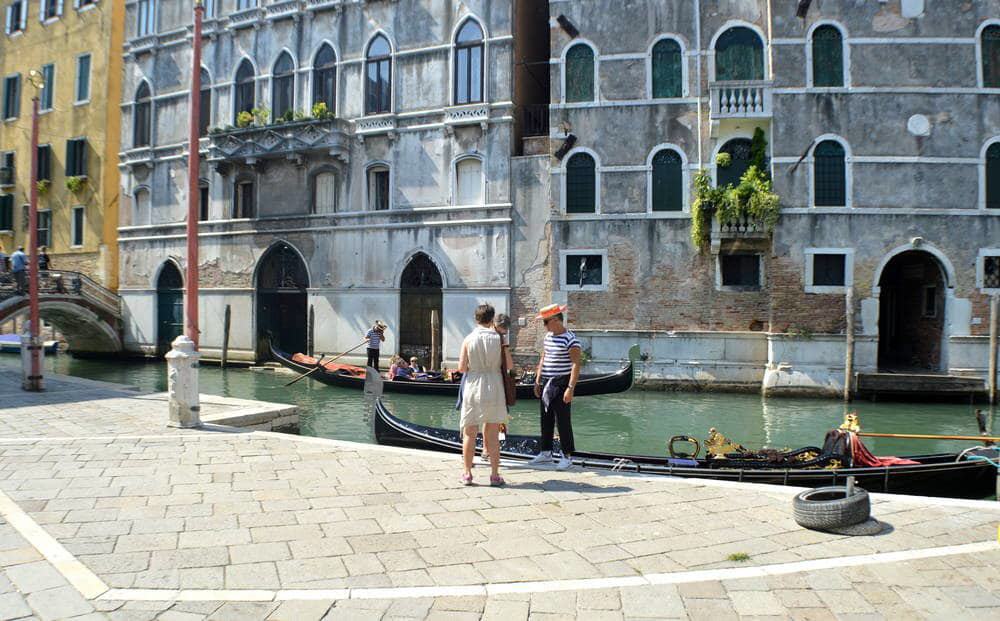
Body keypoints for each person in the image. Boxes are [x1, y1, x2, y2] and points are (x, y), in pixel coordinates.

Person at [458, 304, 507, 486]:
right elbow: (508, 366)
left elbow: (462, 368)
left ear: (475, 318)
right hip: (494, 385)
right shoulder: (499, 339)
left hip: (473, 384)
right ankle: (494, 475)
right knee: (492, 434)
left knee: (470, 432)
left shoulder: (468, 339)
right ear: (492, 319)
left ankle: (467, 473)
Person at [529, 304, 582, 470]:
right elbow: (543, 358)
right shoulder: (548, 337)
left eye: (545, 322)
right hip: (546, 382)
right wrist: (537, 380)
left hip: (561, 383)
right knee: (546, 418)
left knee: (563, 420)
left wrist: (570, 388)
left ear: (555, 320)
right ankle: (546, 452)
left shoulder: (571, 339)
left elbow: (576, 365)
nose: (544, 326)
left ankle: (567, 456)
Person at [481, 313, 514, 463]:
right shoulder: (498, 339)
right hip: (495, 381)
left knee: (487, 418)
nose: (504, 332)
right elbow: (510, 366)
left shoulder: (482, 336)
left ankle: (485, 449)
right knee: (491, 419)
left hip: (482, 380)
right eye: (503, 329)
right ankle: (488, 450)